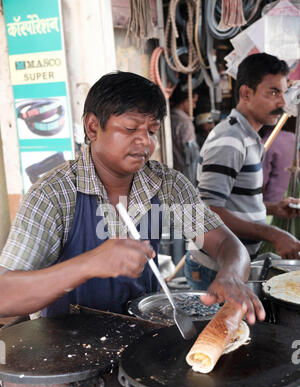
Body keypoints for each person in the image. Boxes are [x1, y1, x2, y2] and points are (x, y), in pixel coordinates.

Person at [0, 71, 265, 325]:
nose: (145, 142)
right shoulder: (53, 194)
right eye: (130, 129)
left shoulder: (167, 185)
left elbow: (227, 245)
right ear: (93, 127)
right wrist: (88, 265)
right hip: (68, 353)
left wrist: (231, 275)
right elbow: (5, 294)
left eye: (151, 131)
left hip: (143, 338)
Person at [185, 53, 300, 290]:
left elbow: (231, 201)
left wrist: (271, 208)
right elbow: (209, 212)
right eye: (272, 92)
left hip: (233, 262)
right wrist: (274, 234)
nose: (281, 102)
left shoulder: (249, 137)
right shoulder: (230, 139)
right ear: (246, 93)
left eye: (283, 92)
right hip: (215, 267)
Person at [261, 127, 296, 202]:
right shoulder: (293, 137)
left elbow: (261, 182)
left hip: (272, 203)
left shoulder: (266, 143)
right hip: (293, 200)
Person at [170, 84, 199, 177]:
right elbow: (192, 157)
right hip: (184, 175)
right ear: (186, 102)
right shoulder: (185, 122)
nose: (194, 106)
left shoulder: (169, 118)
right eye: (193, 102)